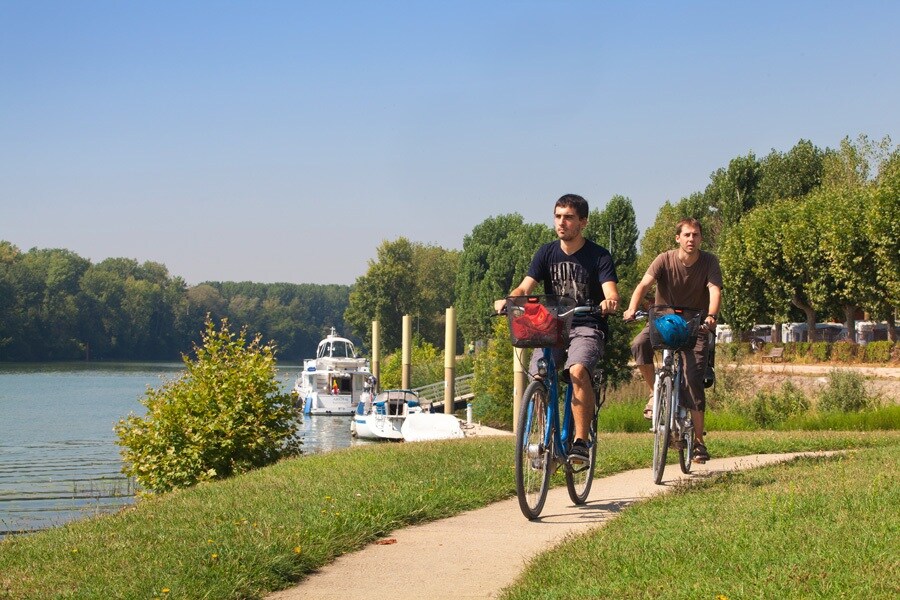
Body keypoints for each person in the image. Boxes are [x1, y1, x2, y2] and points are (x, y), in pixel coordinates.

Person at [495, 194, 620, 463]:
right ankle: (545, 439)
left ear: (583, 222)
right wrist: (510, 299)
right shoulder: (546, 252)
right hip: (553, 328)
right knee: (538, 376)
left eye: (568, 217)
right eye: (557, 216)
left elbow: (611, 291)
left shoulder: (599, 256)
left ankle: (580, 442)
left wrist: (609, 302)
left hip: (587, 325)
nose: (561, 222)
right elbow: (525, 287)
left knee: (576, 370)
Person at [622, 217, 722, 463]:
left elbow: (714, 290)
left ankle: (699, 442)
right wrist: (632, 308)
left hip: (695, 325)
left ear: (700, 238)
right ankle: (654, 393)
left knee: (693, 378)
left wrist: (711, 316)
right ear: (678, 238)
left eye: (696, 235)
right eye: (687, 235)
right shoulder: (664, 260)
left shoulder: (709, 262)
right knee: (638, 345)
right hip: (663, 322)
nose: (691, 239)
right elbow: (644, 284)